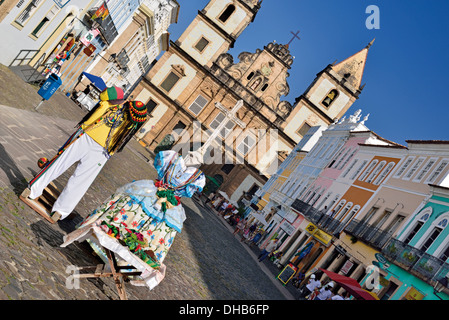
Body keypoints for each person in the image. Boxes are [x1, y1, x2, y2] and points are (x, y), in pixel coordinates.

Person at [61, 150, 205, 290]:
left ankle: (116, 255)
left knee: (126, 216)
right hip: (163, 199)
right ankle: (119, 259)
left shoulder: (174, 159)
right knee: (148, 232)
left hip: (154, 194)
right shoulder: (193, 175)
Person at [22, 87, 146, 223]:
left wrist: (121, 97)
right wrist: (121, 99)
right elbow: (106, 96)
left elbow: (105, 94)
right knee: (77, 178)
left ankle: (38, 194)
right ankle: (57, 209)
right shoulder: (121, 115)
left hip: (94, 142)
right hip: (94, 142)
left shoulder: (110, 106)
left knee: (64, 168)